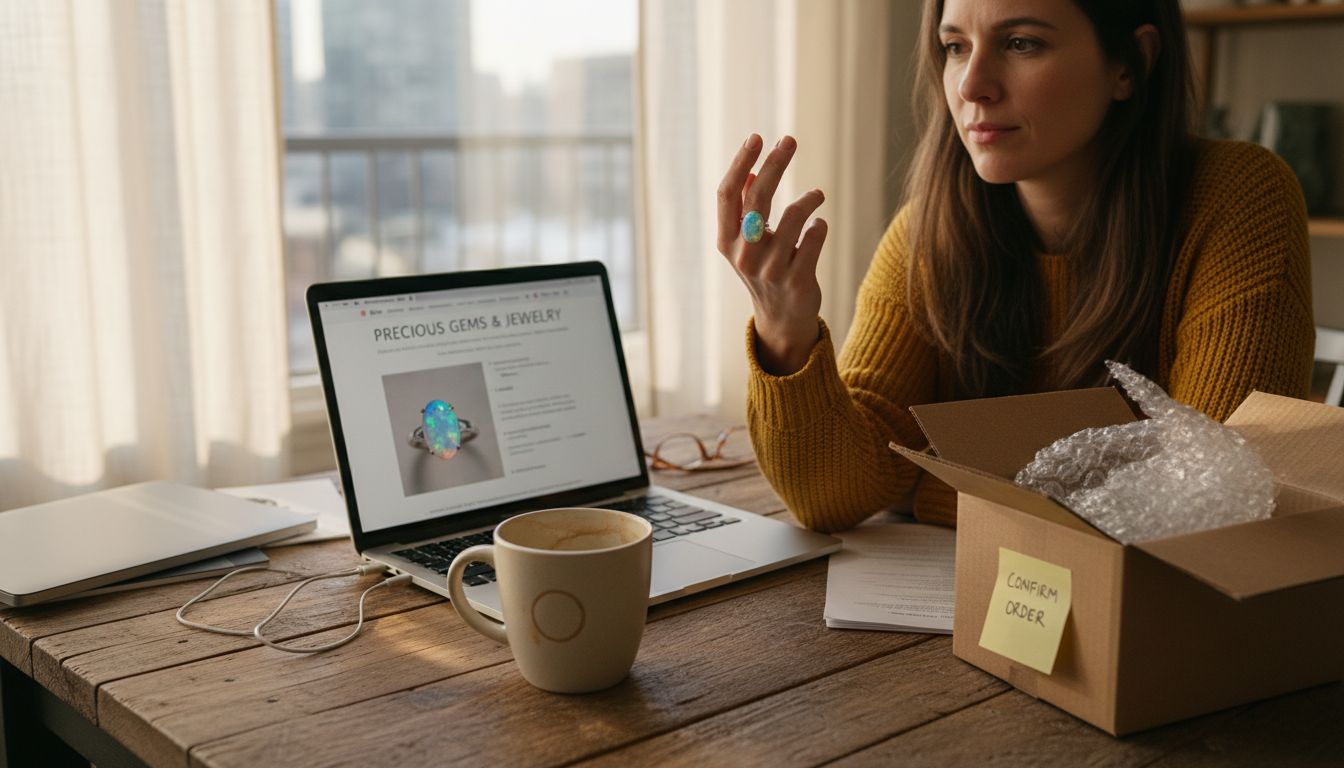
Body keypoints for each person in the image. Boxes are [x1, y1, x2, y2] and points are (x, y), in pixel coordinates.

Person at [716, 0, 1314, 532]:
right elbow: (834, 496)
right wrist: (784, 333)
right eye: (955, 47)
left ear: (1129, 64)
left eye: (1022, 42)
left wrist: (926, 491)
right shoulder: (926, 234)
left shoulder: (1238, 197)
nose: (973, 85)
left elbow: (1210, 498)